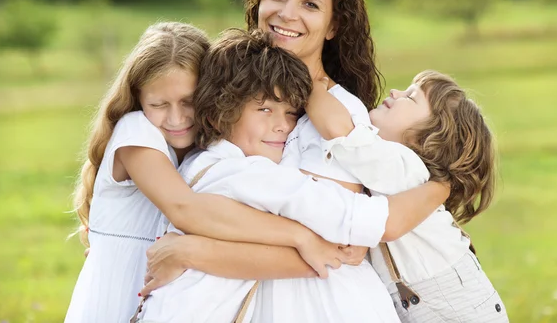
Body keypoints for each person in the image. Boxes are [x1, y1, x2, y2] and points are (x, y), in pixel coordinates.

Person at [140, 0, 446, 323]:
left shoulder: (338, 118)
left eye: (310, 4)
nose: (286, 13)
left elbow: (331, 244)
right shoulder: (232, 90)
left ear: (333, 24)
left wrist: (189, 252)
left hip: (324, 305)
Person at [65, 22, 354, 323]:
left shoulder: (206, 158)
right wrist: (301, 237)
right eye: (159, 104)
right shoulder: (136, 133)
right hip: (112, 308)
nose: (176, 119)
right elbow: (184, 210)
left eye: (188, 102)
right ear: (138, 98)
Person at [138, 29, 398, 322]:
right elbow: (339, 212)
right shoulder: (242, 174)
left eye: (290, 113)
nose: (282, 126)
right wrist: (439, 185)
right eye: (264, 109)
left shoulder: (195, 164)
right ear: (216, 115)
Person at [308, 70, 509, 322]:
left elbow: (337, 129)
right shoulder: (398, 173)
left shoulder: (404, 166)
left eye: (411, 97)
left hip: (455, 307)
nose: (395, 92)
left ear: (424, 139)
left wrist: (312, 86)